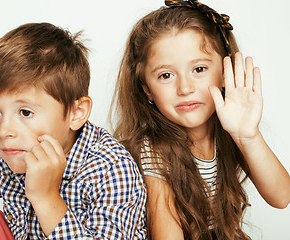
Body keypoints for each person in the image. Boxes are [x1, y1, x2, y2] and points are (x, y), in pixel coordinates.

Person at [110, 0, 290, 239]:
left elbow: (281, 197)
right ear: (147, 90)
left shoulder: (229, 131)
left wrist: (247, 135)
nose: (185, 88)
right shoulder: (153, 151)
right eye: (166, 75)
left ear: (226, 73)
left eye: (199, 69)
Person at [0, 22, 147, 239]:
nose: (4, 130)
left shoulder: (110, 169)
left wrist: (46, 197)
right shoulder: (10, 159)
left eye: (25, 112)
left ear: (76, 113)